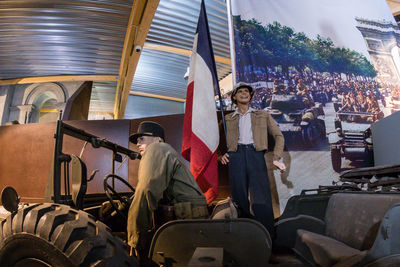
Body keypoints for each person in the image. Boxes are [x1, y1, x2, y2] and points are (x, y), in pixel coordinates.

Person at [127, 121, 207, 262]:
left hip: (187, 222)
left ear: (158, 139)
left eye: (142, 139)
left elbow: (146, 190)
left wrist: (135, 238)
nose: (138, 144)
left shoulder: (157, 148)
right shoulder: (164, 150)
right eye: (137, 141)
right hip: (191, 218)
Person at [219, 82, 286, 240]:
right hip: (236, 157)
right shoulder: (227, 118)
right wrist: (219, 155)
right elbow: (214, 140)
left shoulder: (262, 115)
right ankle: (245, 238)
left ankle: (268, 241)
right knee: (239, 199)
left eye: (247, 91)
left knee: (261, 200)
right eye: (240, 91)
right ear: (234, 97)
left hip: (256, 156)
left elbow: (278, 136)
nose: (244, 93)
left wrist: (276, 158)